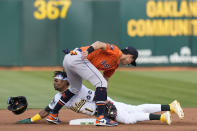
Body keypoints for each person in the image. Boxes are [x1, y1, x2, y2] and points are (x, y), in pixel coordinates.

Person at [17, 71, 184, 125]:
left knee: (128, 120)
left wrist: (106, 109)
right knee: (135, 109)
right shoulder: (57, 97)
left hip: (105, 106)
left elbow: (98, 96)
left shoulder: (78, 89)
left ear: (66, 82)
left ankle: (163, 116)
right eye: (54, 81)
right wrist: (31, 120)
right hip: (102, 110)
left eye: (57, 81)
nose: (54, 83)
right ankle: (169, 107)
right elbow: (47, 111)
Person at [46, 41, 139, 126]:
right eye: (131, 61)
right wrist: (88, 51)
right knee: (100, 83)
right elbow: (99, 44)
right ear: (130, 56)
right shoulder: (117, 52)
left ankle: (53, 114)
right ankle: (101, 118)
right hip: (78, 57)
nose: (129, 63)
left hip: (71, 58)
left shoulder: (114, 65)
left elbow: (105, 80)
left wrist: (103, 98)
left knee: (75, 89)